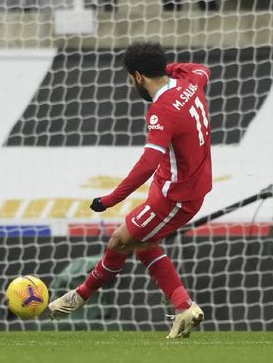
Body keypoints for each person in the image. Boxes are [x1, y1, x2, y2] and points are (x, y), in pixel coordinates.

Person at [48, 42, 212, 339]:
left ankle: (80, 296)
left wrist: (111, 199)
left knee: (119, 242)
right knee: (141, 244)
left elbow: (148, 163)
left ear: (138, 76)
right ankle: (182, 305)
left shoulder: (161, 110)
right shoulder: (190, 82)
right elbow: (203, 70)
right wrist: (170, 69)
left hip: (175, 197)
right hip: (183, 187)